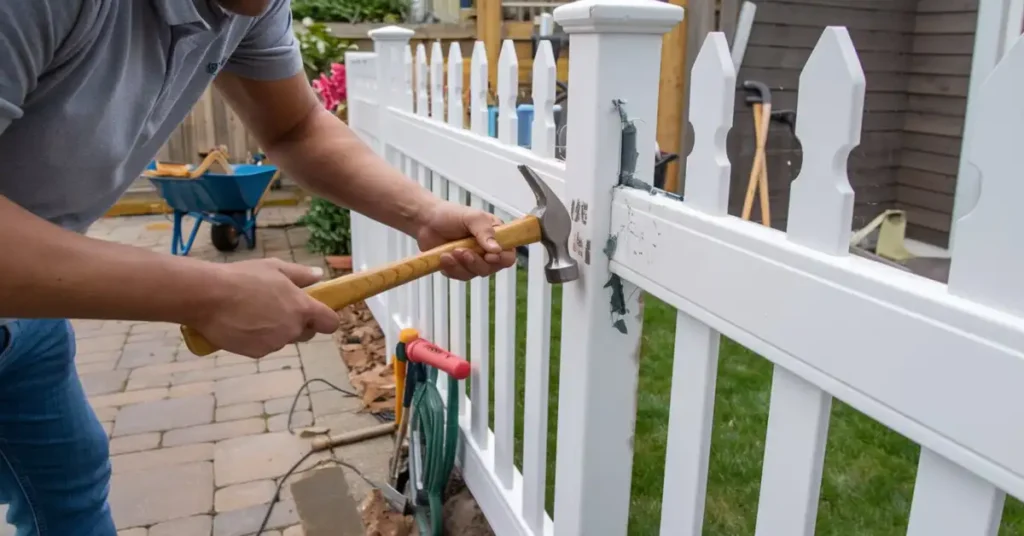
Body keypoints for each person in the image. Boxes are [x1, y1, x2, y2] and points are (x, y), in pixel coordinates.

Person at [0, 1, 516, 533]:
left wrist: (423, 213)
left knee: (68, 496)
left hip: (30, 317)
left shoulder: (251, 6)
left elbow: (295, 127)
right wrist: (205, 294)